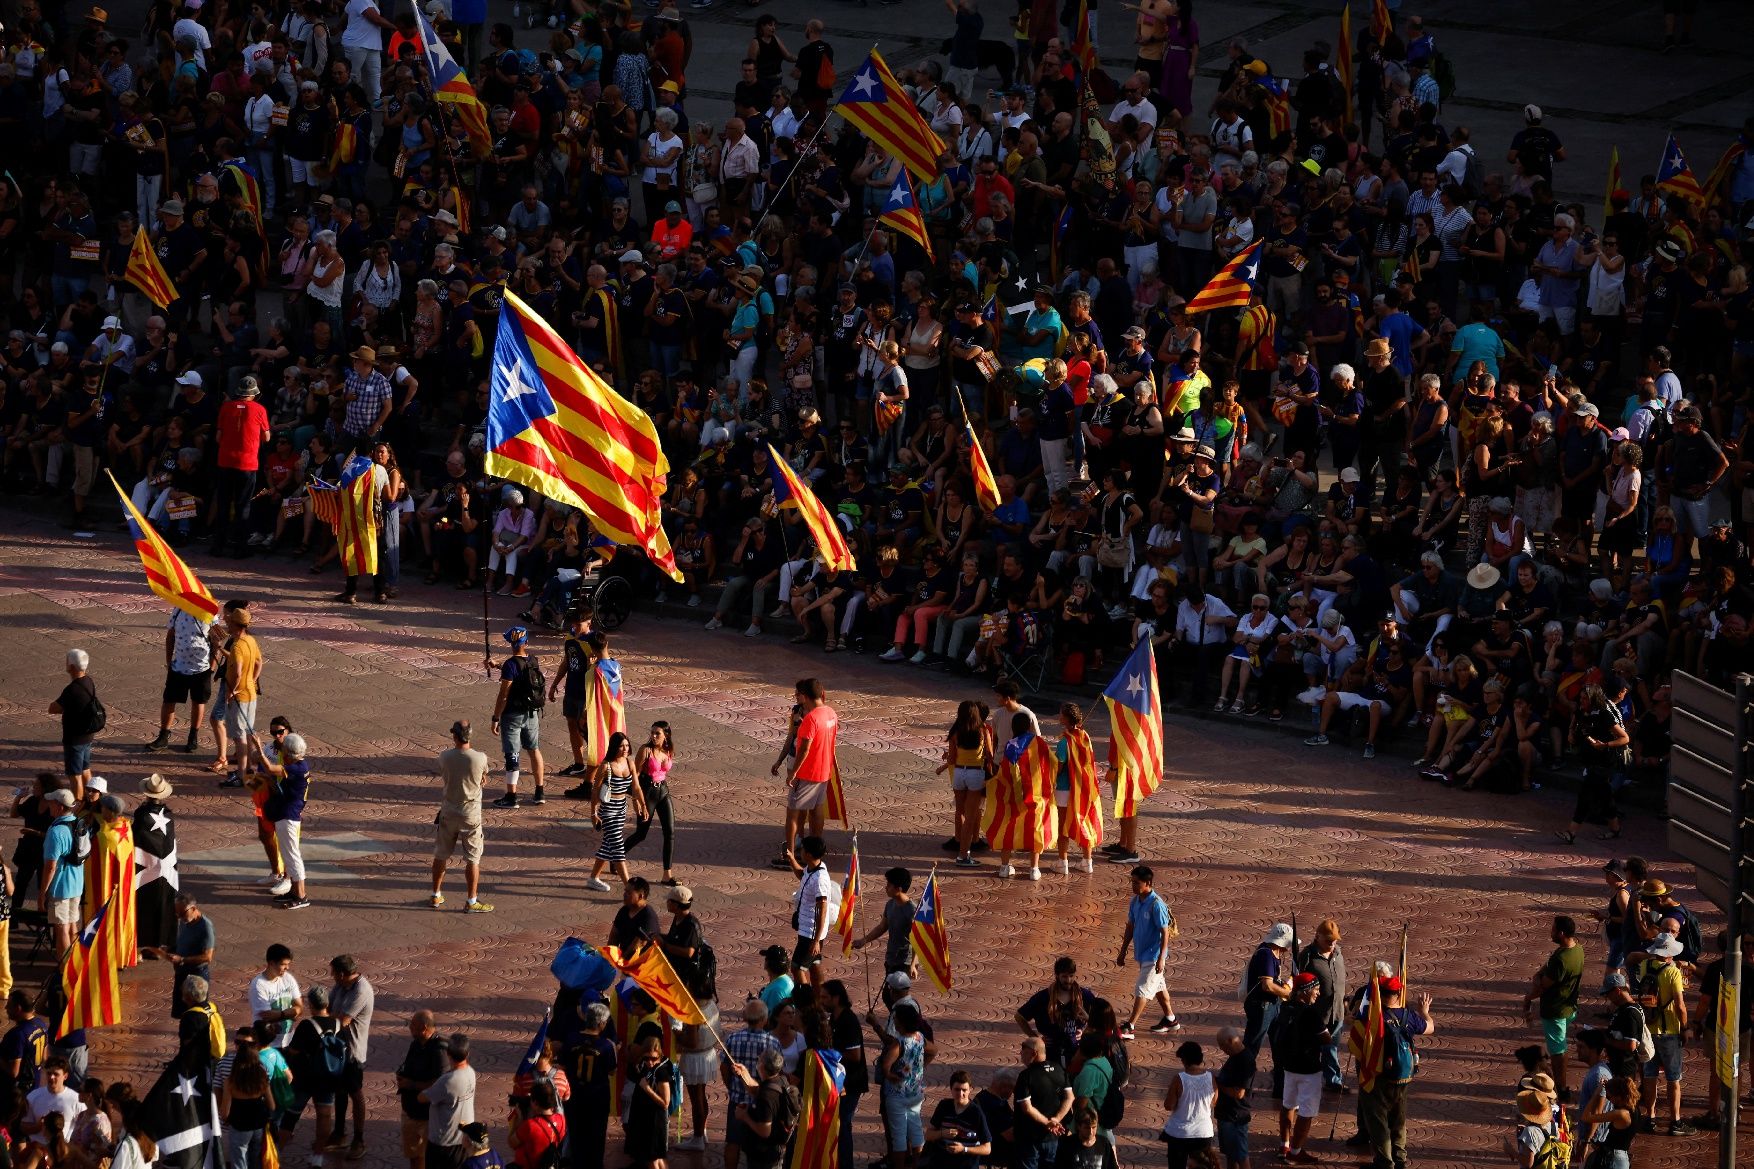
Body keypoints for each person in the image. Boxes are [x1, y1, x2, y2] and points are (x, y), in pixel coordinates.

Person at [1355, 976, 1436, 1169]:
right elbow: (1430, 1027)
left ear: (1379, 993)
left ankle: (1384, 1161)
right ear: (1399, 993)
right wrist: (1424, 1012)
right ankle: (1400, 1158)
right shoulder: (1408, 1016)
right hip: (1403, 1076)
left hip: (1378, 1076)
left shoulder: (1371, 1015)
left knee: (1378, 1118)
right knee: (1399, 1118)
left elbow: (1355, 1038)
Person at [1521, 916, 1584, 1104]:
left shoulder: (1562, 960)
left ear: (1561, 933)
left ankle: (1561, 1088)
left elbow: (1543, 986)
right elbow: (1549, 967)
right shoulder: (1577, 949)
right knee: (1559, 1046)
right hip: (1569, 1006)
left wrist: (1529, 995)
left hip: (1556, 1010)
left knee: (1558, 1051)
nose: (1551, 932)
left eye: (1553, 929)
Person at [433, 720, 492, 912]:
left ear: (454, 736)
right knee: (473, 859)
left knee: (441, 854)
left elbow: (446, 775)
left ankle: (436, 895)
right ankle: (471, 901)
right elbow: (483, 778)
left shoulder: (445, 756)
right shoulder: (480, 758)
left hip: (449, 810)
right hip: (471, 813)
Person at [1115, 865, 1180, 1039]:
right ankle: (1170, 1019)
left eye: (1137, 883)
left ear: (1148, 883)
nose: (1133, 886)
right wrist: (1122, 951)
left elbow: (1164, 932)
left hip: (1153, 956)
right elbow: (1130, 927)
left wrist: (1161, 958)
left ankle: (1130, 1026)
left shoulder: (1156, 904)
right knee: (1159, 987)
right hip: (1142, 954)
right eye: (1132, 882)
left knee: (1142, 988)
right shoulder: (1135, 902)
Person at [780, 678, 838, 868]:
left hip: (807, 773)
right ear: (821, 693)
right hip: (824, 770)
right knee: (816, 810)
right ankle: (815, 851)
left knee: (793, 815)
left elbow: (803, 750)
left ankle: (790, 857)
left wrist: (793, 773)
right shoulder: (830, 713)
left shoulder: (810, 719)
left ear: (804, 696)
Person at [251, 730, 311, 910]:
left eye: (284, 750)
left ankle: (301, 895)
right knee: (288, 855)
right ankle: (294, 890)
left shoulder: (296, 768)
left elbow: (270, 768)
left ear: (288, 753)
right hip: (286, 814)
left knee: (292, 856)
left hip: (288, 817)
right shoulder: (299, 766)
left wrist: (258, 748)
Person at [489, 626, 547, 808]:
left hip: (512, 716)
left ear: (511, 644)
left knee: (512, 755)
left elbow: (504, 695)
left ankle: (511, 797)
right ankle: (539, 792)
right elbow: (520, 672)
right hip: (532, 714)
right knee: (534, 750)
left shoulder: (510, 665)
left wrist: (495, 717)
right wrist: (499, 665)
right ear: (526, 643)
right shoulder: (533, 661)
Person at [146, 608, 217, 753]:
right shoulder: (178, 610)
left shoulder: (210, 613)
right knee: (169, 701)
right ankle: (163, 736)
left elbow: (217, 640)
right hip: (178, 667)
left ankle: (193, 736)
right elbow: (170, 636)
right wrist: (168, 661)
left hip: (201, 668)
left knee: (198, 702)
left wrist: (212, 667)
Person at [329, 954, 376, 1159]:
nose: (331, 976)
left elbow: (342, 1019)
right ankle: (339, 1133)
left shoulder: (361, 990)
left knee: (355, 1094)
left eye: (333, 973)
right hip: (338, 1049)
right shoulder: (340, 987)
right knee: (339, 1091)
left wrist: (328, 1017)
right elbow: (328, 1009)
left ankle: (359, 1139)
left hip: (353, 1053)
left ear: (341, 974)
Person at [786, 834, 839, 989]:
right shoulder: (812, 868)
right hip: (807, 929)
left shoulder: (820, 879)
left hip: (810, 932)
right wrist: (791, 859)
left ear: (808, 854)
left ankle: (807, 1001)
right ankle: (819, 997)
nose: (800, 852)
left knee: (797, 967)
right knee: (814, 963)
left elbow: (822, 910)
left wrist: (816, 940)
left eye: (801, 850)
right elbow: (802, 875)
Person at [395, 1012, 446, 1169]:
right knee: (413, 1155)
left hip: (427, 1116)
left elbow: (438, 1084)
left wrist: (411, 1085)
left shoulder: (440, 1050)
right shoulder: (416, 1044)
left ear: (424, 1028)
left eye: (412, 1025)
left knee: (427, 1157)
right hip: (410, 1111)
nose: (409, 1028)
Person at [418, 1034, 477, 1169]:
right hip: (463, 1141)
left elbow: (422, 1098)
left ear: (447, 1053)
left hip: (444, 1145)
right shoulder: (471, 1073)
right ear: (468, 1053)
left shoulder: (447, 1081)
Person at [1013, 1034, 1071, 1169]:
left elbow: (1026, 1107)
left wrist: (1047, 1123)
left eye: (1024, 1049)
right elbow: (1070, 1097)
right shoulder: (1059, 1069)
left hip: (1029, 1139)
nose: (1020, 1053)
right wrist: (1056, 1120)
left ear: (1034, 1053)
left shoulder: (1026, 1076)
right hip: (1051, 1137)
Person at [38, 788, 84, 954]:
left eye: (51, 802)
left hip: (61, 887)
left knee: (61, 929)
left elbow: (50, 867)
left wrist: (42, 893)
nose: (49, 805)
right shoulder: (78, 823)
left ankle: (64, 970)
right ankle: (74, 964)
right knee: (72, 925)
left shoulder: (56, 831)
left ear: (59, 806)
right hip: (77, 884)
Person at [49, 648, 100, 798]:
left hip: (74, 739)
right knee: (85, 769)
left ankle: (77, 810)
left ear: (71, 666)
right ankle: (92, 802)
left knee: (75, 775)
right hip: (87, 735)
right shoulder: (88, 681)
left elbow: (52, 708)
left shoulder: (72, 690)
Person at [852, 866, 918, 979]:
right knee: (888, 995)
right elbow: (882, 927)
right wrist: (864, 940)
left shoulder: (912, 911)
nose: (885, 887)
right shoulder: (890, 904)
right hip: (891, 959)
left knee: (894, 994)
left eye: (889, 885)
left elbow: (918, 940)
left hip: (904, 963)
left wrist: (913, 965)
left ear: (899, 888)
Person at [1160, 1040, 1216, 1169]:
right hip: (1203, 1132)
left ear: (1184, 1060)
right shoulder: (1210, 1078)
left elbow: (1169, 1105)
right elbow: (1214, 1101)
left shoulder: (1179, 1079)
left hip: (1180, 1133)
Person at [927, 1070, 992, 1169]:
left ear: (970, 1089)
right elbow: (928, 1135)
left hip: (966, 1164)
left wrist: (964, 1149)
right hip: (941, 1162)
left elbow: (987, 1149)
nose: (960, 1094)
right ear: (951, 1089)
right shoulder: (944, 1106)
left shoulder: (976, 1113)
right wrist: (942, 1133)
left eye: (964, 1090)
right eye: (957, 1089)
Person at [248, 944, 302, 1050]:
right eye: (283, 964)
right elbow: (268, 1016)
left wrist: (280, 1014)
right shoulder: (258, 985)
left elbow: (300, 1008)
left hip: (288, 1041)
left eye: (288, 964)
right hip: (268, 1045)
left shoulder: (288, 978)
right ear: (271, 963)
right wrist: (290, 1013)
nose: (287, 968)